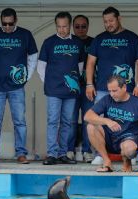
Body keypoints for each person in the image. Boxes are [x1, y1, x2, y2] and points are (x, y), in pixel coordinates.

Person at [85, 6, 138, 165]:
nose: (108, 24)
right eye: (105, 22)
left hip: (127, 89)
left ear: (119, 19)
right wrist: (89, 84)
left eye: (111, 21)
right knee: (98, 122)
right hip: (102, 89)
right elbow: (90, 62)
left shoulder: (132, 38)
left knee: (131, 121)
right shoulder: (99, 39)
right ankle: (101, 155)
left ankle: (132, 153)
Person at [0, 8, 38, 164]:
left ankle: (21, 153)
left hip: (16, 86)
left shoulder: (25, 34)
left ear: (16, 20)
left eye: (10, 24)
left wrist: (27, 76)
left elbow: (33, 56)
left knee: (19, 120)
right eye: (4, 24)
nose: (7, 27)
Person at [37, 11, 84, 165]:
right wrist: (49, 82)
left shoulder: (77, 42)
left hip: (71, 91)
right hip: (53, 90)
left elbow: (80, 66)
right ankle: (52, 154)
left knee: (67, 122)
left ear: (69, 25)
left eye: (65, 26)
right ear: (56, 26)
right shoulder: (49, 42)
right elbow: (41, 66)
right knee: (52, 121)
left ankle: (63, 153)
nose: (62, 30)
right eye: (59, 27)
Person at [85, 75, 138, 172]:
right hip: (109, 137)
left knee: (129, 149)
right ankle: (106, 162)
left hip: (128, 138)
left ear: (124, 88)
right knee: (91, 127)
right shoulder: (107, 99)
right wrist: (107, 121)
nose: (112, 94)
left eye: (115, 91)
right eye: (110, 91)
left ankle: (127, 162)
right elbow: (87, 116)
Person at [67, 14, 95, 163]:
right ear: (72, 27)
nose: (80, 29)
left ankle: (87, 151)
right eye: (77, 26)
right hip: (71, 88)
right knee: (70, 120)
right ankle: (69, 150)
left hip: (89, 87)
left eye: (83, 26)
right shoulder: (68, 42)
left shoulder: (94, 42)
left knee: (88, 120)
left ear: (88, 27)